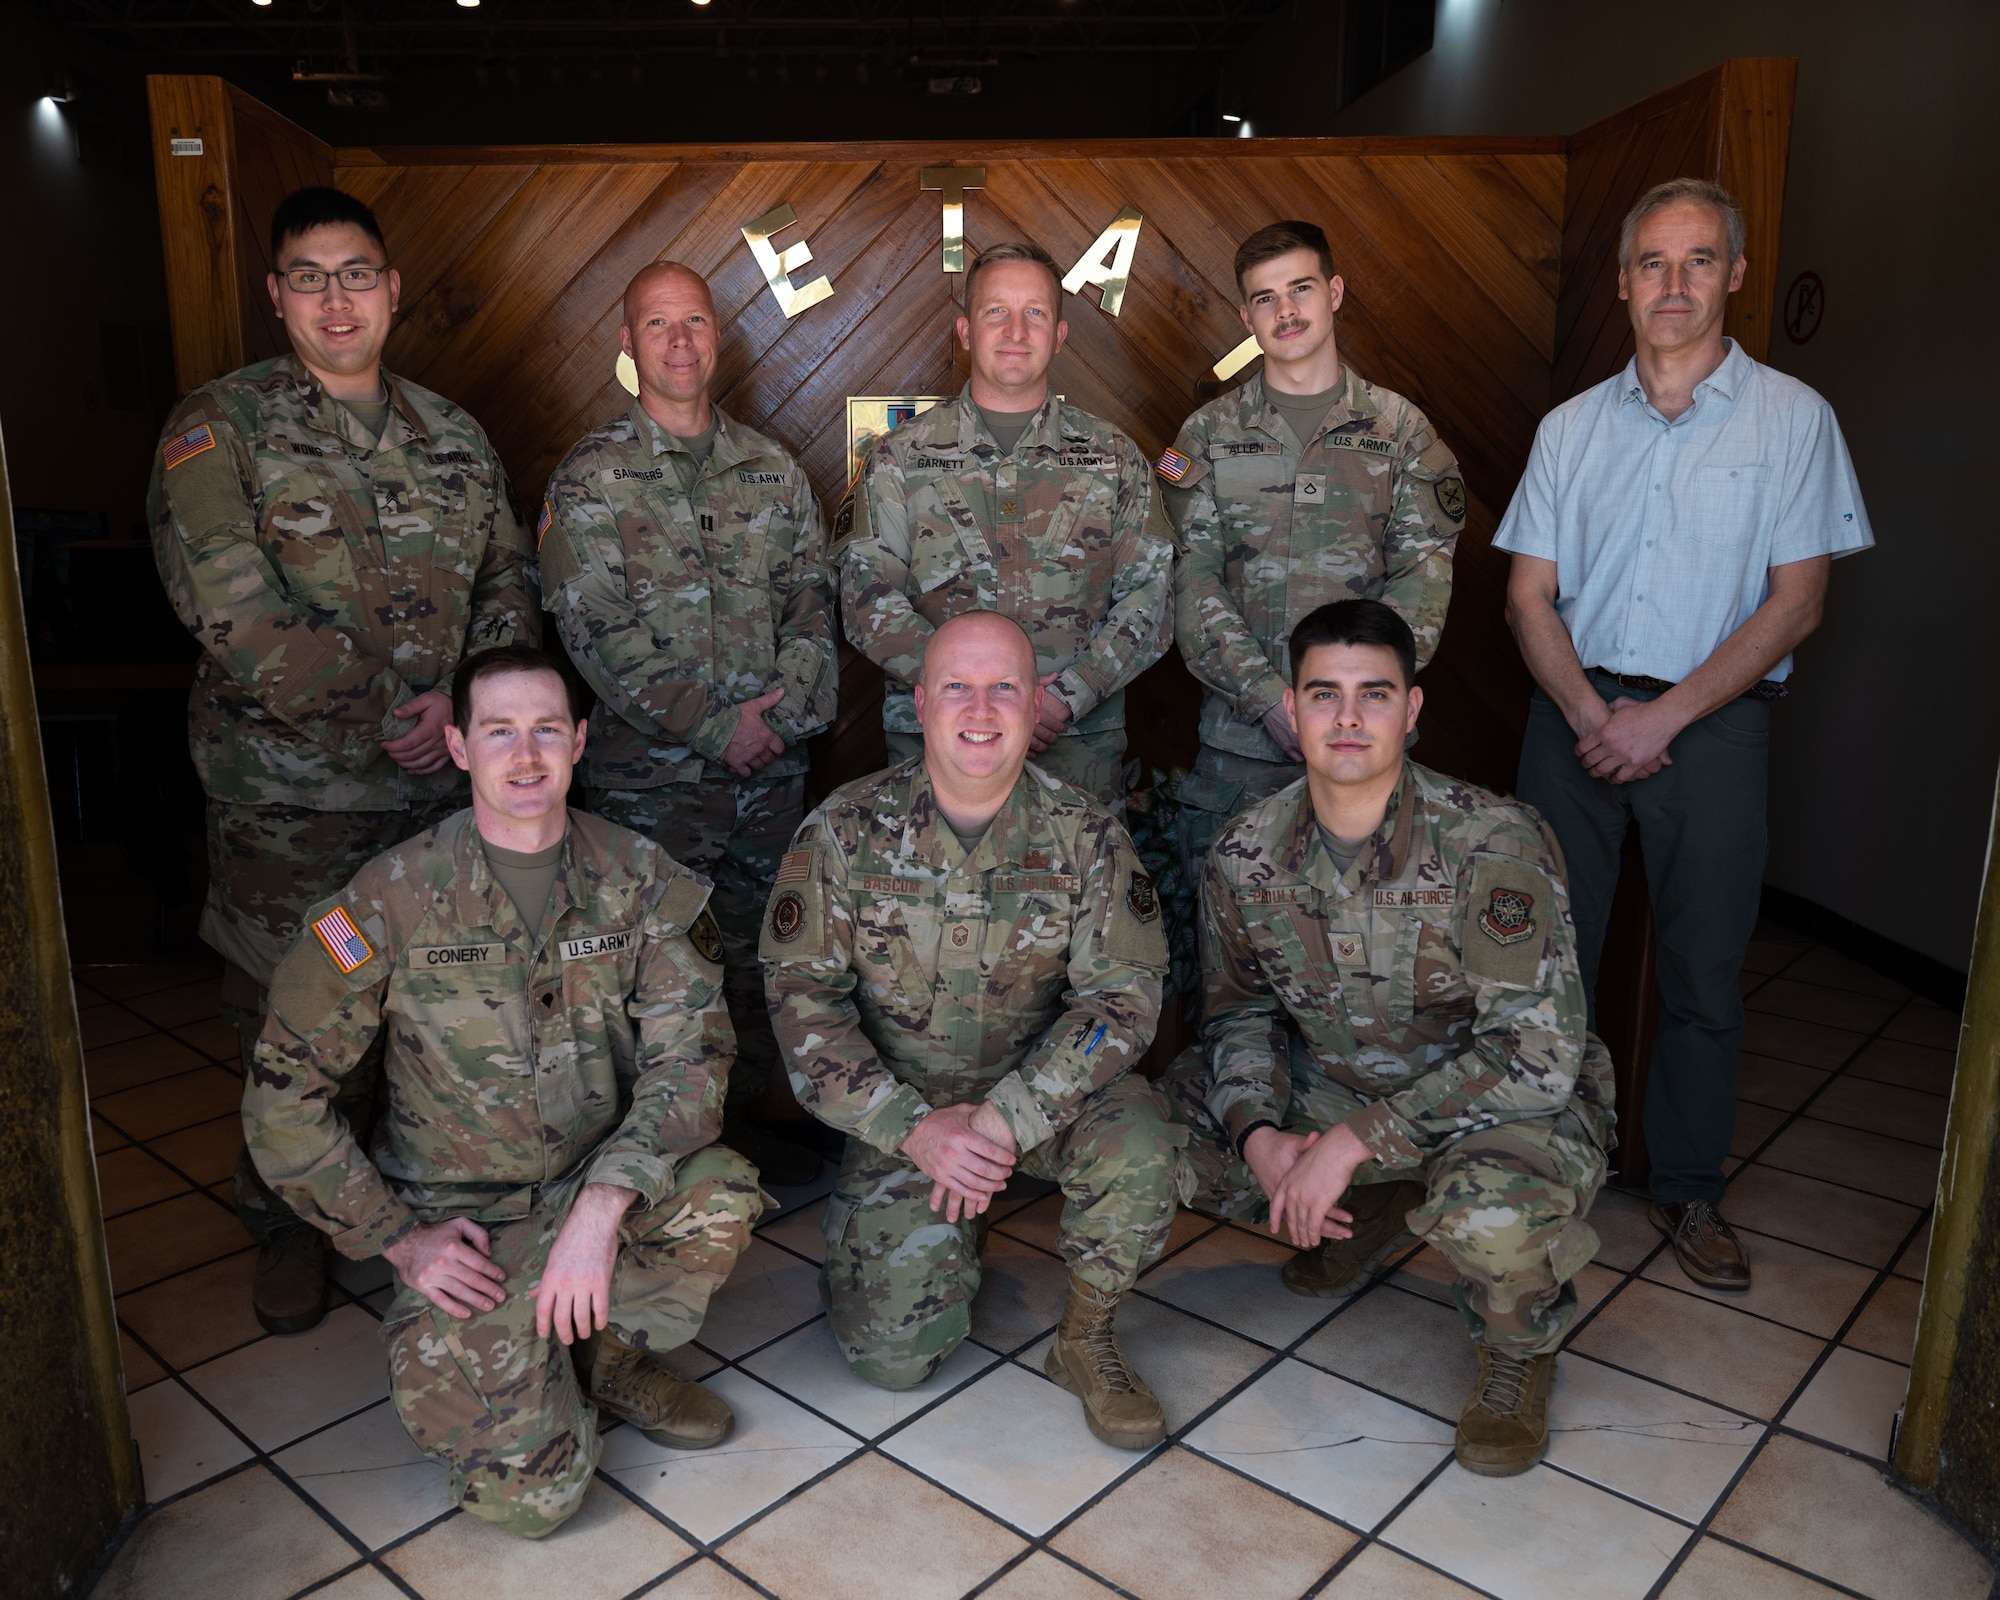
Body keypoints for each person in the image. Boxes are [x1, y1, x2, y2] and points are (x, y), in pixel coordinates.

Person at [243, 646, 762, 1538]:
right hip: (463, 1222)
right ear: (456, 747)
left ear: (580, 741)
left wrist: (603, 1207)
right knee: (534, 1505)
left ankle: (604, 1352)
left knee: (718, 1191)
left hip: (596, 1179)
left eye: (546, 730)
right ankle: (533, 1347)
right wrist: (400, 1244)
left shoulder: (641, 878)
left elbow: (695, 1057)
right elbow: (281, 1095)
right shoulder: (386, 900)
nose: (525, 757)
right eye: (499, 732)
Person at [147, 185, 538, 1334]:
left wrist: (463, 713)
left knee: (430, 1006)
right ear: (276, 296)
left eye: (355, 272)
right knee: (291, 1017)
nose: (336, 298)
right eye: (308, 277)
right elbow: (228, 609)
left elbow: (508, 585)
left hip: (436, 792)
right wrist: (391, 710)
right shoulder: (218, 428)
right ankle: (287, 1225)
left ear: (392, 289)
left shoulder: (452, 434)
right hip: (294, 808)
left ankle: (416, 1207)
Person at [1497, 178, 1873, 1291]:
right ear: (1620, 282)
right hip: (1571, 714)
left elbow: (1796, 602)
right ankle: (1528, 1176)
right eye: (1651, 264)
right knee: (1538, 965)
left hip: (1709, 729)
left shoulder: (1793, 420)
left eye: (1696, 260)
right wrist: (1585, 712)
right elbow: (1527, 597)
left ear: (1734, 274)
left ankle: (1687, 1187)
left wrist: (1659, 717)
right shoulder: (1568, 428)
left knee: (1704, 972)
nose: (1672, 284)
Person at [1163, 599, 1615, 1476]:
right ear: (1290, 711)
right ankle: (1369, 1212)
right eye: (1323, 694)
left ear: (1412, 709)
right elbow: (1237, 1014)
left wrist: (1350, 1142)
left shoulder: (1491, 844)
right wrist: (1260, 1135)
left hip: (1495, 1100)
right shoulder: (1245, 852)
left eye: (1374, 694)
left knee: (1495, 1215)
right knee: (1157, 1134)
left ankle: (1519, 1352)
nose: (1346, 718)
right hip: (1339, 1079)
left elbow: (1534, 1059)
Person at [763, 611, 1189, 1448]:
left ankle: (1087, 1334)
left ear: (1035, 707)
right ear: (920, 704)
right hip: (905, 1120)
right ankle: (934, 1231)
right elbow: (802, 1004)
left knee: (1141, 1141)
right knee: (889, 1360)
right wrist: (914, 1131)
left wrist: (1005, 1120)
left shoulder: (1087, 835)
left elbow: (1123, 1004)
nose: (981, 708)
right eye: (958, 685)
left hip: (1042, 1107)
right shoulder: (844, 832)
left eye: (1004, 688)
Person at [540, 261, 837, 1186]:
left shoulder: (774, 469)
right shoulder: (589, 479)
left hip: (766, 781)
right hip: (649, 790)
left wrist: (774, 720)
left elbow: (813, 605)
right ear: (627, 345)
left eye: (695, 323)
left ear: (718, 338)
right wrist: (715, 727)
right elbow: (590, 629)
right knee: (648, 969)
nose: (678, 341)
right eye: (656, 323)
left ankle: (735, 1133)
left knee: (756, 958)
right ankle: (644, 1153)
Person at [1161, 220, 1465, 889]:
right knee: (1230, 962)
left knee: (1370, 959)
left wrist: (1342, 706)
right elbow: (1192, 582)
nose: (1285, 310)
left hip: (1367, 747)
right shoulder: (1207, 433)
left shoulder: (1402, 431)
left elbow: (1423, 584)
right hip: (1241, 751)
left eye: (1300, 288)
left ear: (1334, 291)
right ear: (1246, 316)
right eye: (1265, 298)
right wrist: (1272, 698)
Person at [839, 240, 1172, 808]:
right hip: (937, 750)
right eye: (997, 310)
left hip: (1076, 746)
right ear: (965, 330)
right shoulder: (901, 457)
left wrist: (1068, 695)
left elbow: (1153, 595)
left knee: (1080, 895)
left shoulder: (1113, 455)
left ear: (1061, 335)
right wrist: (970, 697)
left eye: (1035, 313)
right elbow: (863, 594)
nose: (1016, 331)